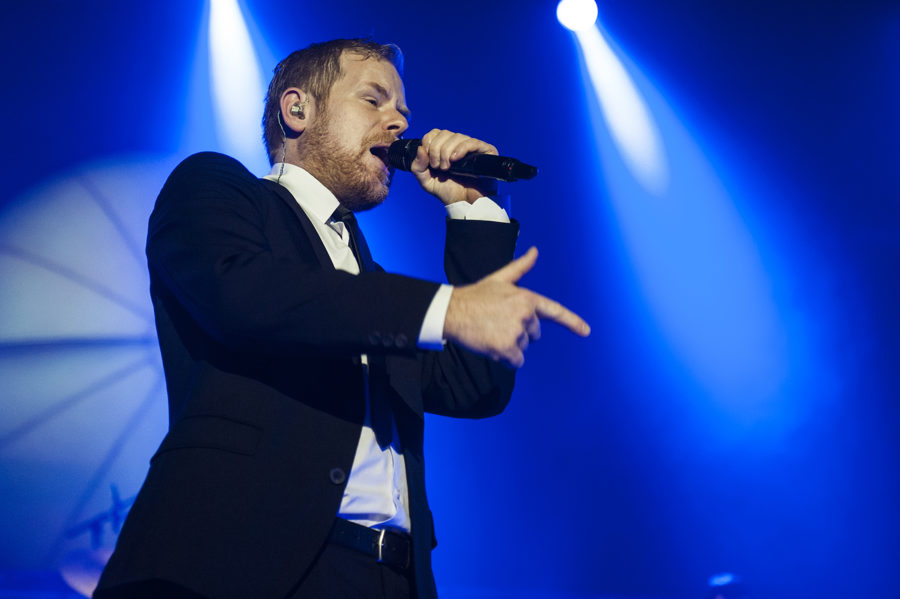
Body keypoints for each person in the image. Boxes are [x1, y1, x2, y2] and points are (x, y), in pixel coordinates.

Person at [94, 38, 589, 599]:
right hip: (241, 566)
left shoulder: (369, 287)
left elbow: (472, 386)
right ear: (297, 109)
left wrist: (471, 205)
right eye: (374, 100)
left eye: (403, 110)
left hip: (387, 577)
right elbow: (241, 293)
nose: (399, 121)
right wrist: (444, 309)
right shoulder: (217, 189)